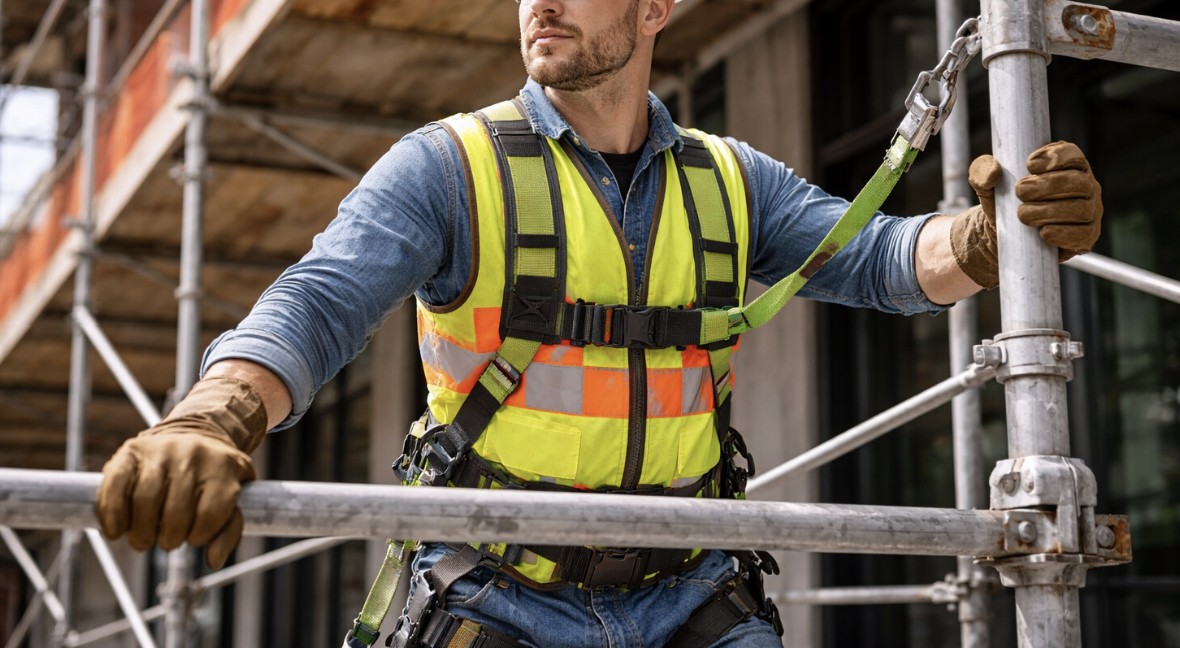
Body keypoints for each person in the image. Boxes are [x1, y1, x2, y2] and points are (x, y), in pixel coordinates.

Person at [94, 0, 1103, 646]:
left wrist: (986, 238)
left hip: (694, 597)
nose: (542, 4)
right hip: (496, 595)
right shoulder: (448, 167)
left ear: (655, 8)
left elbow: (882, 263)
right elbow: (318, 302)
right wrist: (212, 415)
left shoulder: (727, 180)